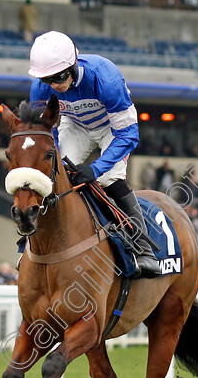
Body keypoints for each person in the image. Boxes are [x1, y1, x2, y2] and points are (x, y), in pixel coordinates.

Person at [27, 31, 160, 278]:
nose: (56, 84)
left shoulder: (105, 78)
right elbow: (46, 132)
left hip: (113, 129)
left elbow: (129, 135)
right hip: (75, 126)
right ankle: (32, 240)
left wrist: (96, 169)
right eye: (48, 79)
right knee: (55, 175)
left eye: (60, 76)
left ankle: (143, 248)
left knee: (109, 179)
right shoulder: (39, 88)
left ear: (74, 64)